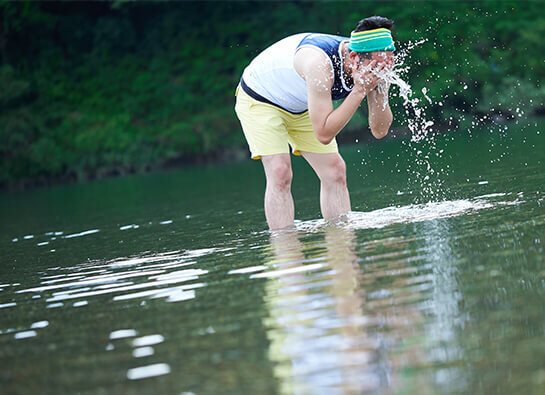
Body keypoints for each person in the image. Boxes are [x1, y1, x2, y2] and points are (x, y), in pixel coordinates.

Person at [235, 16, 395, 230]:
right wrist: (359, 91)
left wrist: (380, 87)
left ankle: (341, 248)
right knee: (280, 172)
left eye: (386, 63)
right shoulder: (319, 64)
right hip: (260, 98)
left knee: (335, 171)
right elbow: (323, 134)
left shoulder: (373, 63)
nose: (379, 69)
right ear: (354, 57)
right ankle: (286, 253)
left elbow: (379, 130)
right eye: (376, 65)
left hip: (302, 104)